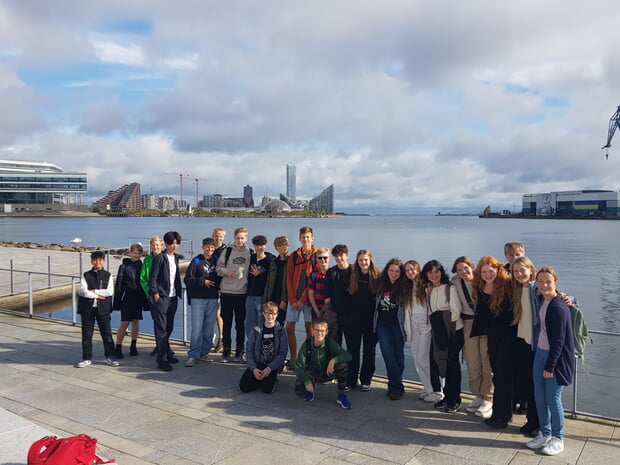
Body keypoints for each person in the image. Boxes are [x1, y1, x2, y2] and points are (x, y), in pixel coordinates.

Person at [526, 267, 575, 456]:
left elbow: (560, 341)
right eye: (540, 281)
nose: (544, 285)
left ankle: (558, 437)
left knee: (553, 399)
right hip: (540, 354)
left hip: (554, 359)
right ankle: (544, 433)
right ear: (536, 284)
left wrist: (550, 366)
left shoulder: (558, 306)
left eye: (548, 281)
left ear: (556, 282)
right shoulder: (542, 299)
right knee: (540, 397)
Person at [472, 255, 515, 428]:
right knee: (497, 375)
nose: (488, 274)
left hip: (508, 336)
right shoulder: (481, 287)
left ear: (498, 270)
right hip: (492, 337)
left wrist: (565, 297)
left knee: (504, 376)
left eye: (491, 271)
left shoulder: (507, 286)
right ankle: (499, 413)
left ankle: (503, 416)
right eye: (484, 272)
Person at [418, 260, 463, 413]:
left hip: (453, 332)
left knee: (452, 365)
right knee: (441, 363)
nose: (434, 275)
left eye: (436, 271)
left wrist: (438, 318)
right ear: (426, 275)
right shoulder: (429, 290)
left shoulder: (449, 288)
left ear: (441, 272)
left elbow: (455, 312)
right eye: (430, 272)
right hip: (439, 332)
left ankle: (455, 399)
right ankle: (446, 397)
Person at [452, 256, 493, 417]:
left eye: (465, 268)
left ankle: (488, 399)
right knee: (472, 361)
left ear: (472, 266)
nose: (463, 272)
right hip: (468, 324)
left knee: (487, 362)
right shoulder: (455, 283)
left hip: (485, 325)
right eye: (459, 269)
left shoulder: (483, 280)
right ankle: (477, 395)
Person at [294, 318, 353, 409]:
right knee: (299, 390)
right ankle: (310, 391)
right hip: (312, 373)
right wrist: (306, 381)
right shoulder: (307, 345)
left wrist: (334, 360)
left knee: (343, 365)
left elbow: (348, 356)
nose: (319, 333)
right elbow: (298, 366)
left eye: (322, 330)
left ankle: (341, 396)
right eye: (317, 330)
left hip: (327, 372)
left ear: (326, 332)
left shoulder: (329, 343)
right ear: (312, 331)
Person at [511, 256, 540, 436]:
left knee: (536, 386)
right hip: (522, 341)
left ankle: (538, 423)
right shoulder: (516, 289)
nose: (520, 274)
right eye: (516, 271)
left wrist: (570, 299)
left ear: (531, 269)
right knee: (525, 384)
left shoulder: (537, 288)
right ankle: (531, 420)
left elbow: (558, 295)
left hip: (536, 344)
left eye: (523, 270)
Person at [75, 250, 118, 368]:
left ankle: (110, 357)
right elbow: (82, 291)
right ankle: (86, 358)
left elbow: (109, 292)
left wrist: (94, 291)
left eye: (100, 260)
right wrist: (97, 295)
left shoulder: (108, 275)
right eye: (95, 260)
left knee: (107, 334)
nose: (97, 262)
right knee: (87, 334)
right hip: (87, 308)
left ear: (103, 261)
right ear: (91, 261)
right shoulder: (86, 275)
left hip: (103, 308)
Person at [345, 250, 380, 392]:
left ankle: (366, 379)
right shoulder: (352, 275)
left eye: (365, 260)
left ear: (370, 260)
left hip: (371, 320)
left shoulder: (377, 276)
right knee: (352, 350)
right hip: (354, 319)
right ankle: (351, 380)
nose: (363, 263)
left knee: (369, 351)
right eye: (360, 260)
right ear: (357, 261)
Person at [373, 258, 407, 400]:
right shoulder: (380, 284)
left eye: (397, 271)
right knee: (387, 354)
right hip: (382, 324)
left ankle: (395, 385)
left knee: (398, 355)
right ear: (387, 270)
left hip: (398, 325)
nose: (394, 273)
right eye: (391, 270)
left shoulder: (405, 286)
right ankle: (397, 386)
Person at [148, 231, 182, 371]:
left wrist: (179, 292)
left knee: (169, 327)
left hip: (172, 297)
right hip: (162, 297)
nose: (174, 246)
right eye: (171, 243)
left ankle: (167, 352)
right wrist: (155, 293)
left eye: (176, 243)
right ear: (166, 244)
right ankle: (161, 358)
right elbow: (152, 278)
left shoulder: (175, 258)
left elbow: (176, 277)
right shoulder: (160, 258)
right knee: (161, 328)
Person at [216, 227, 251, 362]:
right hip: (226, 292)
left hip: (241, 293)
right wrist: (226, 272)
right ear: (234, 238)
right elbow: (218, 268)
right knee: (227, 323)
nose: (240, 240)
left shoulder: (249, 253)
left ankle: (239, 349)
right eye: (238, 238)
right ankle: (226, 349)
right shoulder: (228, 251)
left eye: (242, 238)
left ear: (246, 239)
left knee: (240, 324)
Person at [184, 237, 220, 367]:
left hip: (213, 298)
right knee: (197, 328)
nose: (209, 249)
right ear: (203, 247)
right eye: (207, 247)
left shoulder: (217, 261)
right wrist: (202, 281)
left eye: (212, 247)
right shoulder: (196, 261)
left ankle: (205, 353)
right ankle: (193, 355)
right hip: (198, 299)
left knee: (209, 328)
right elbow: (187, 279)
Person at [403, 260, 435, 402]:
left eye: (412, 269)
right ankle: (427, 387)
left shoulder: (426, 284)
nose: (410, 272)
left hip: (425, 324)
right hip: (413, 323)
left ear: (418, 269)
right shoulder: (408, 286)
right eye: (407, 270)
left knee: (424, 358)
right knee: (417, 357)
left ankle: (435, 390)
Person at [285, 226, 317, 369]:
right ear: (299, 238)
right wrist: (292, 299)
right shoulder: (294, 256)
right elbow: (289, 278)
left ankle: (308, 358)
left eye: (308, 237)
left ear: (312, 238)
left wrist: (302, 300)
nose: (305, 239)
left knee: (309, 328)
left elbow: (313, 281)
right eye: (303, 237)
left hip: (309, 300)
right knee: (289, 327)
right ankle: (293, 358)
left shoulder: (317, 256)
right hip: (294, 299)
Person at [239, 302, 288, 393]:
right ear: (263, 313)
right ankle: (258, 379)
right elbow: (249, 350)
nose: (270, 316)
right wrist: (253, 368)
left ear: (277, 314)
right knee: (244, 387)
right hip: (258, 363)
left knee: (267, 390)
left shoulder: (280, 331)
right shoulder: (256, 330)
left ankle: (272, 380)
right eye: (268, 313)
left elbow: (283, 352)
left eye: (273, 313)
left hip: (271, 365)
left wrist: (270, 368)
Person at [113, 243, 148, 359]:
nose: (136, 255)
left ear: (141, 254)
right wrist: (116, 302)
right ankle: (118, 346)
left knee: (136, 321)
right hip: (127, 297)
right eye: (134, 253)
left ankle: (133, 345)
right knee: (124, 322)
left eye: (139, 254)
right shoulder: (123, 267)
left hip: (138, 297)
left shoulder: (142, 266)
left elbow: (144, 283)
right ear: (130, 253)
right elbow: (119, 284)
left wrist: (146, 302)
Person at [245, 235, 274, 338]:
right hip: (249, 295)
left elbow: (271, 277)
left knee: (261, 321)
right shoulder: (251, 258)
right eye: (257, 245)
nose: (259, 248)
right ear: (254, 246)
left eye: (261, 245)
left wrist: (260, 273)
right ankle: (250, 346)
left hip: (261, 296)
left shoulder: (270, 260)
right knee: (249, 322)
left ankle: (261, 347)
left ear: (265, 245)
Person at [323, 244, 352, 347]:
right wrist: (328, 313)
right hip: (335, 313)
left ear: (347, 255)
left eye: (341, 255)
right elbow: (327, 296)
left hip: (351, 314)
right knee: (334, 344)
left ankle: (350, 363)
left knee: (351, 344)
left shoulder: (354, 271)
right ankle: (335, 363)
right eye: (336, 256)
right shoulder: (331, 272)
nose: (339, 258)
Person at [140, 235, 164, 356]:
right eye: (153, 245)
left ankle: (165, 345)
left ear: (162, 245)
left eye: (157, 245)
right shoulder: (147, 260)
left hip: (164, 295)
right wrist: (149, 292)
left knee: (165, 322)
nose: (155, 247)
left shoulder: (165, 258)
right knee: (156, 320)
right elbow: (143, 278)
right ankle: (158, 345)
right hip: (152, 296)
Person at [263, 235, 290, 325]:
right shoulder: (274, 262)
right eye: (279, 245)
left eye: (283, 245)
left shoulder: (291, 261)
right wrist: (265, 300)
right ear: (275, 248)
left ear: (287, 246)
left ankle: (281, 339)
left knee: (281, 324)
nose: (281, 247)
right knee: (270, 323)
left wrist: (284, 299)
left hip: (283, 299)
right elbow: (268, 282)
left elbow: (290, 282)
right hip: (272, 297)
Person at [212, 227, 227, 353]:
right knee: (210, 312)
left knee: (218, 313)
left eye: (221, 236)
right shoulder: (211, 248)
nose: (218, 238)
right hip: (211, 285)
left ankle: (221, 338)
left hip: (222, 285)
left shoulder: (226, 250)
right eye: (216, 236)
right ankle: (211, 336)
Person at [307, 247, 330, 321]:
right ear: (316, 259)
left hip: (331, 310)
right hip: (317, 309)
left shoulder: (333, 273)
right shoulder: (313, 275)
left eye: (325, 257)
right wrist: (317, 311)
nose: (322, 260)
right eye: (320, 258)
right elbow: (311, 294)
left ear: (329, 258)